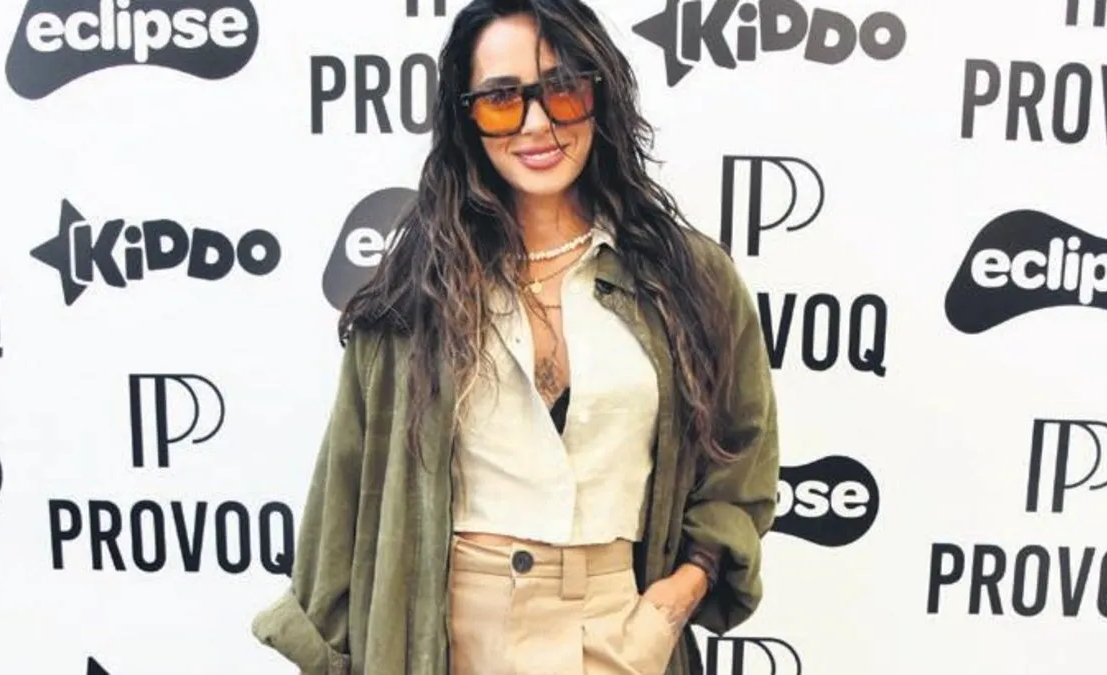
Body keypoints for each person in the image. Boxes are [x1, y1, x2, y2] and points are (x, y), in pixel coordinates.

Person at [250, 0, 780, 673]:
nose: (536, 123)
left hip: (619, 627)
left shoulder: (687, 276)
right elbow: (348, 488)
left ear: (600, 95)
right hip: (449, 634)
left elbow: (742, 455)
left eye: (563, 89)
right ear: (467, 116)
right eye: (502, 99)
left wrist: (679, 596)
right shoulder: (420, 285)